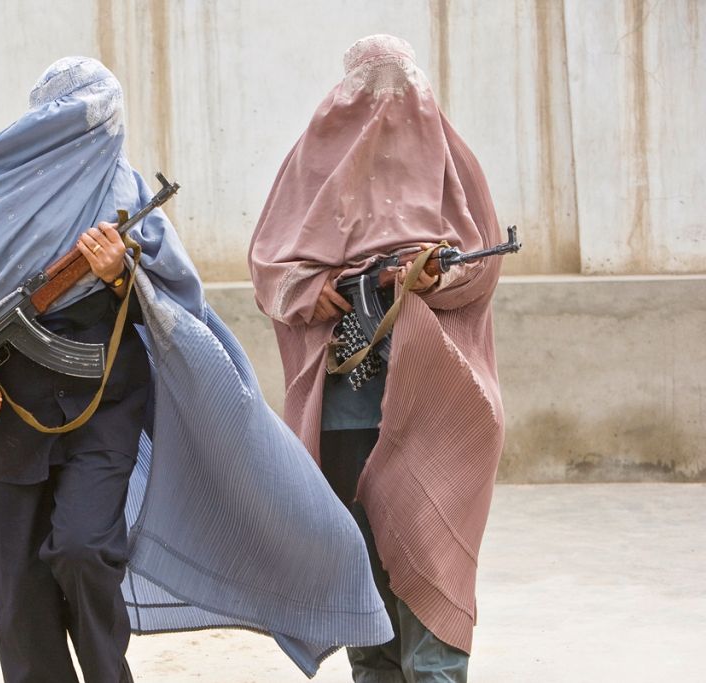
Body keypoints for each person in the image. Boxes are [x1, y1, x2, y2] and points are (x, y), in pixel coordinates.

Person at [0, 57, 393, 683]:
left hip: (103, 401)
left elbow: (182, 303)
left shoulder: (126, 197)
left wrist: (123, 274)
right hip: (8, 409)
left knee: (85, 549)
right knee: (19, 588)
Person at [248, 35, 506, 682]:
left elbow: (484, 265)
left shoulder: (451, 161)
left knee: (435, 571)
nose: (384, 102)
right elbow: (271, 271)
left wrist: (431, 279)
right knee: (369, 600)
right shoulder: (312, 162)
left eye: (398, 83)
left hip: (437, 411)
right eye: (369, 85)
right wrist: (325, 289)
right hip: (340, 416)